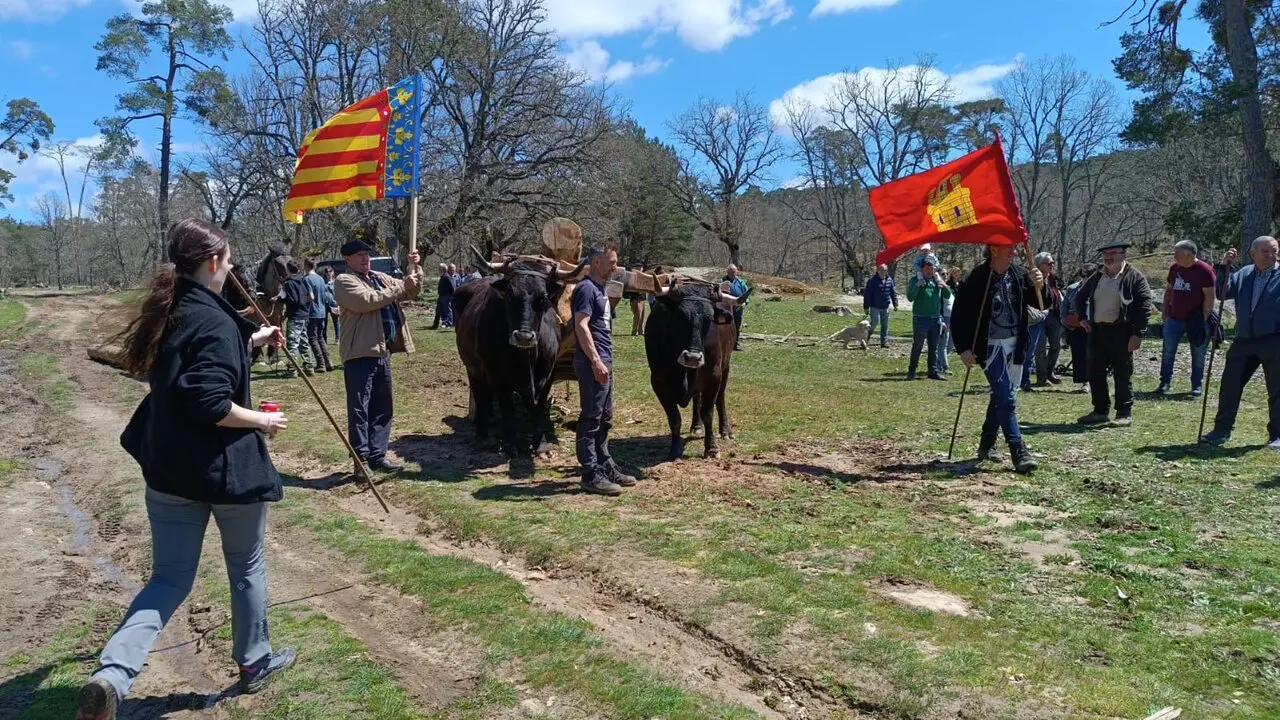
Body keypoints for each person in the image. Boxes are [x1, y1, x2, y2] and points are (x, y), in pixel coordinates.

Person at [76, 219, 295, 720]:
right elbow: (208, 399)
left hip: (170, 470)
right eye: (231, 260)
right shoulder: (214, 322)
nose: (234, 267)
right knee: (247, 567)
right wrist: (263, 420)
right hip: (223, 473)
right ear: (214, 262)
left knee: (169, 579)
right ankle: (255, 662)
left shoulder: (173, 310)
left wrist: (254, 339)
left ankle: (112, 674)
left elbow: (202, 355)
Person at [950, 244, 1045, 474]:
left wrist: (1040, 285)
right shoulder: (976, 277)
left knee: (1003, 395)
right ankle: (1018, 449)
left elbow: (1045, 303)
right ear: (994, 249)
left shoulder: (1021, 274)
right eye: (1008, 247)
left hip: (1016, 344)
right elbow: (959, 314)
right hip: (990, 346)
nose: (1013, 250)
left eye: (1013, 246)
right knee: (1006, 396)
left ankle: (986, 443)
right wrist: (963, 348)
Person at [334, 237, 421, 473]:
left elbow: (409, 291)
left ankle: (377, 455)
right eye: (360, 255)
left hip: (383, 352)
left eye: (367, 255)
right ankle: (360, 460)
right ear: (348, 260)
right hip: (359, 354)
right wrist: (400, 286)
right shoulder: (344, 281)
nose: (365, 259)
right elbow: (368, 301)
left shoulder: (379, 278)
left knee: (383, 407)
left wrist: (415, 269)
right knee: (359, 408)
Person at [1201, 236, 1280, 448]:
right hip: (1244, 339)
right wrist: (1224, 268)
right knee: (1230, 385)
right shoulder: (1243, 273)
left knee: (1277, 389)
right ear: (1253, 254)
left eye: (1274, 251)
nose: (1271, 255)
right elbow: (1221, 292)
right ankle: (1221, 431)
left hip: (1274, 339)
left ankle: (1277, 434)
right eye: (1265, 251)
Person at [573, 245, 637, 496]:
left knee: (605, 417)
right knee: (591, 417)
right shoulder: (586, 289)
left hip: (604, 360)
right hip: (593, 363)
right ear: (596, 263)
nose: (615, 267)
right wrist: (596, 361)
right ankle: (589, 474)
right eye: (611, 262)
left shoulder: (601, 290)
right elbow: (581, 325)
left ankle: (604, 464)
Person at [1074, 241, 1154, 427]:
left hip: (1122, 331)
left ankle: (1124, 413)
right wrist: (1081, 318)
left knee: (1122, 372)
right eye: (1105, 254)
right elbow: (1080, 296)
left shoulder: (1134, 277)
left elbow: (1144, 306)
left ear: (1123, 255)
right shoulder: (1097, 276)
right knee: (1095, 372)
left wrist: (1138, 334)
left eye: (1113, 254)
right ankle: (1100, 411)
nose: (1108, 257)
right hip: (1097, 330)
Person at [1158, 240, 1216, 396]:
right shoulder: (1174, 268)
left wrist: (1204, 317)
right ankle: (1164, 383)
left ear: (1189, 254)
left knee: (1198, 352)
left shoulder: (1205, 271)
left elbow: (1210, 296)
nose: (1174, 256)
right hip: (1174, 318)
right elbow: (1169, 290)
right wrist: (1165, 311)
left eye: (1177, 253)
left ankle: (1196, 385)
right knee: (1168, 351)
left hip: (1195, 319)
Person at [906, 256, 951, 380]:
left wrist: (943, 284)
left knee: (934, 347)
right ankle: (912, 371)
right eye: (928, 268)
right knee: (918, 346)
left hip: (935, 319)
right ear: (922, 269)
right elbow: (910, 297)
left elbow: (947, 295)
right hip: (921, 318)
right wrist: (917, 286)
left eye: (932, 268)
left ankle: (933, 371)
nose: (930, 270)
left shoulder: (936, 281)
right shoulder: (916, 280)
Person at [1033, 252, 1065, 387]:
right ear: (1040, 265)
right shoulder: (1032, 278)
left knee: (1056, 346)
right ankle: (1041, 377)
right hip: (1038, 315)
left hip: (1053, 314)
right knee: (1040, 348)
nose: (1052, 265)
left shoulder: (1053, 279)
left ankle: (1049, 372)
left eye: (1052, 263)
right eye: (1049, 263)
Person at [280, 260, 316, 378]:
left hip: (295, 316)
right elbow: (309, 297)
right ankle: (309, 367)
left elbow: (292, 299)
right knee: (303, 341)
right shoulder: (303, 280)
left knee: (292, 343)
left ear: (287, 270)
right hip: (304, 315)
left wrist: (280, 300)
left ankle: (292, 369)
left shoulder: (289, 283)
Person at [1062, 265, 1095, 392]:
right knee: (1080, 355)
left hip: (1095, 327)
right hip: (1076, 327)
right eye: (1084, 275)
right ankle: (1085, 382)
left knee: (1094, 355)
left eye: (1089, 275)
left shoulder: (1100, 288)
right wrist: (1066, 322)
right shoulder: (1072, 289)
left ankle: (1094, 381)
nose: (1086, 278)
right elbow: (1063, 309)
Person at [302, 259, 334, 373]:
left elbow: (310, 297)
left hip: (312, 312)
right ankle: (328, 362)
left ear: (306, 265)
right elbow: (326, 295)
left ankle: (320, 364)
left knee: (313, 338)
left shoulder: (306, 279)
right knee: (320, 337)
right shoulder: (320, 279)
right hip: (322, 311)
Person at [863, 264, 897, 348]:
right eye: (881, 270)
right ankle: (865, 338)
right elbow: (867, 294)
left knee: (885, 325)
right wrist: (866, 307)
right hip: (874, 306)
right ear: (877, 270)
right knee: (874, 323)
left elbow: (893, 292)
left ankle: (884, 341)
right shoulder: (872, 280)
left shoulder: (889, 279)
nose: (883, 272)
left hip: (885, 306)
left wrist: (895, 303)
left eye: (885, 270)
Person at [937, 266, 962, 373]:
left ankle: (939, 362)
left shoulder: (949, 288)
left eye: (946, 274)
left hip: (953, 318)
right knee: (943, 343)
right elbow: (938, 305)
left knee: (951, 343)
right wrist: (941, 319)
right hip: (944, 318)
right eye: (942, 274)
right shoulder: (938, 288)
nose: (945, 276)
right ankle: (944, 367)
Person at [723, 264, 749, 351]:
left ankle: (735, 343)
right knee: (726, 325)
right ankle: (726, 343)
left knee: (737, 326)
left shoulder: (741, 282)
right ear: (727, 272)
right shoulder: (722, 281)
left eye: (734, 272)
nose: (733, 273)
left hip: (738, 308)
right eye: (731, 272)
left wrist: (745, 302)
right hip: (726, 307)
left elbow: (746, 294)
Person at [431, 263, 454, 330]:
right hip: (441, 295)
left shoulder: (447, 276)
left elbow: (452, 287)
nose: (438, 270)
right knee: (438, 310)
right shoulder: (442, 276)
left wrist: (451, 295)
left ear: (443, 269)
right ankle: (435, 324)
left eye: (440, 268)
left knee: (448, 310)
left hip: (446, 296)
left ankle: (449, 323)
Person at [626, 264, 647, 336]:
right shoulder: (631, 277)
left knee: (641, 314)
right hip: (635, 297)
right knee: (637, 314)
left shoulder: (643, 276)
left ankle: (640, 330)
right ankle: (636, 331)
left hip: (642, 297)